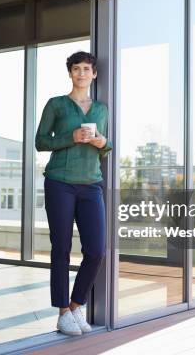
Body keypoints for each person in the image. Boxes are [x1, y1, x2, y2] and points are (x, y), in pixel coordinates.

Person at [35, 51, 113, 336]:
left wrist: (103, 142)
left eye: (86, 69)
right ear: (70, 73)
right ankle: (62, 313)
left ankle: (76, 303)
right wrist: (71, 138)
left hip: (91, 184)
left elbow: (106, 147)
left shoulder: (101, 110)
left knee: (96, 250)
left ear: (94, 74)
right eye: (76, 69)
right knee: (62, 248)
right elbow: (40, 141)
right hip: (60, 182)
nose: (81, 73)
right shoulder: (56, 105)